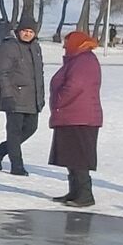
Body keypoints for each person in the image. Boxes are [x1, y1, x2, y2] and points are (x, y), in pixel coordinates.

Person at [48, 29, 103, 208]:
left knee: (79, 157)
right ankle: (75, 192)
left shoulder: (84, 61)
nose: (64, 46)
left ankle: (85, 195)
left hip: (80, 117)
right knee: (71, 156)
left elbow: (75, 86)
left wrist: (59, 100)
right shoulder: (78, 60)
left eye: (67, 42)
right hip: (73, 115)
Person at [0, 18, 46, 176]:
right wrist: (7, 94)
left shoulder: (36, 47)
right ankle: (17, 166)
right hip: (14, 95)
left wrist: (40, 96)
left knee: (31, 128)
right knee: (14, 131)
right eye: (25, 31)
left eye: (31, 32)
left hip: (32, 96)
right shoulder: (8, 47)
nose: (27, 34)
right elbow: (2, 73)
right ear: (18, 31)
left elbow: (39, 74)